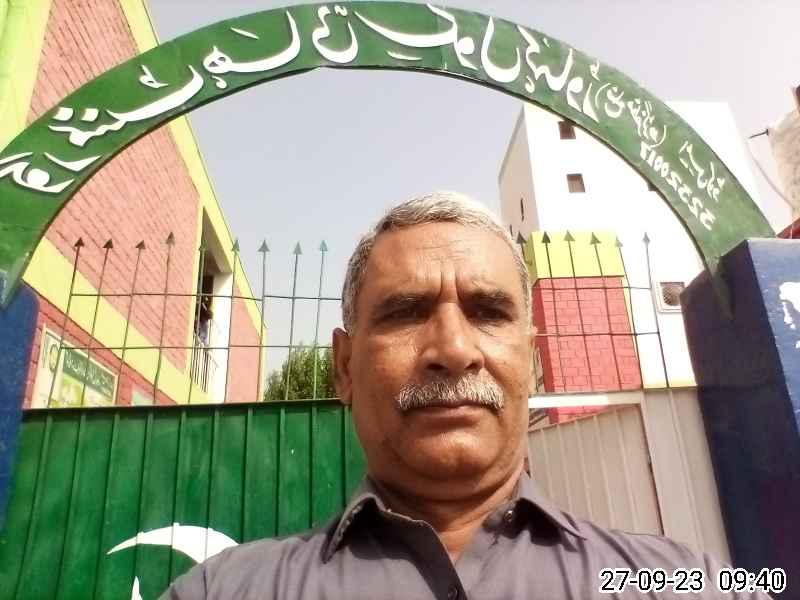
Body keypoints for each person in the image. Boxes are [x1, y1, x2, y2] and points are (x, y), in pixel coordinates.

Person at [163, 192, 772, 599]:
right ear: (344, 367)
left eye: (487, 312)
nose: (453, 349)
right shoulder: (223, 592)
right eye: (407, 312)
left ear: (532, 364)